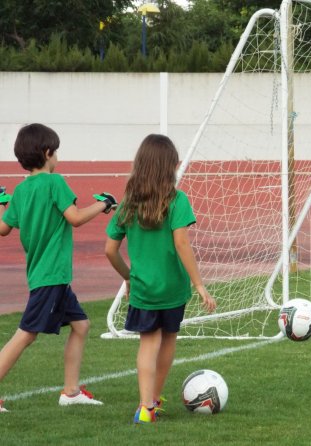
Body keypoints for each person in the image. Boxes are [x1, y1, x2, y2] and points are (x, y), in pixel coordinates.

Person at [0, 123, 117, 412]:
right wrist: (104, 205)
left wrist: (3, 203)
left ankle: (71, 392)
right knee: (26, 334)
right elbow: (75, 217)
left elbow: (3, 228)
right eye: (56, 151)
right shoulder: (55, 183)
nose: (58, 157)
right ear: (47, 152)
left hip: (49, 276)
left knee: (81, 325)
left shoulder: (21, 191)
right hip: (50, 275)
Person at [104, 134, 216, 424]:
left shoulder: (128, 204)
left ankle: (146, 407)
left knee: (148, 344)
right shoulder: (177, 200)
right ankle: (154, 397)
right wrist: (200, 285)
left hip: (144, 289)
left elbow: (110, 250)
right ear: (171, 167)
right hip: (173, 289)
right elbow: (182, 244)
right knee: (168, 341)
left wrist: (128, 277)